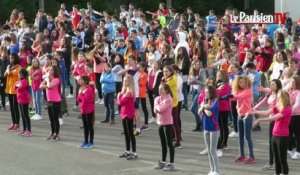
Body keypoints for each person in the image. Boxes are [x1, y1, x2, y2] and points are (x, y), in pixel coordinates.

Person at [252, 90, 292, 175]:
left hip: (283, 136)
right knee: (276, 158)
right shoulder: (278, 106)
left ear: (283, 98)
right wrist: (254, 111)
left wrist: (259, 120)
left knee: (282, 158)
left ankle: (284, 173)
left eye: (278, 98)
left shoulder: (287, 109)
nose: (277, 99)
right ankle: (277, 173)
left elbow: (273, 118)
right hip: (275, 135)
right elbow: (267, 112)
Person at [223, 75, 256, 164]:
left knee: (247, 137)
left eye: (244, 82)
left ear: (247, 82)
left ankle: (251, 157)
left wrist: (229, 96)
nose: (242, 84)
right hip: (240, 115)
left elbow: (238, 96)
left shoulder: (248, 91)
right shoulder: (238, 91)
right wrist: (226, 96)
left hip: (247, 115)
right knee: (240, 136)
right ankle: (242, 155)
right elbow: (234, 97)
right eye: (240, 82)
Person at [254, 79, 282, 171]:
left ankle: (275, 162)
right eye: (270, 84)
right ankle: (271, 162)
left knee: (275, 142)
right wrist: (253, 109)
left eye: (273, 84)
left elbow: (275, 109)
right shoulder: (270, 93)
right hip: (271, 119)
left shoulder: (279, 95)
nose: (271, 85)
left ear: (277, 86)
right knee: (271, 141)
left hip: (276, 119)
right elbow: (262, 102)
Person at [198, 85, 220, 175]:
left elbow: (210, 114)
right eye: (205, 92)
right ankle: (211, 169)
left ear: (212, 93)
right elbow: (199, 112)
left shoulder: (215, 101)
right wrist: (203, 107)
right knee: (208, 150)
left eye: (207, 92)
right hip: (205, 128)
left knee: (212, 150)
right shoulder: (204, 101)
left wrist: (204, 108)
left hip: (214, 129)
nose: (205, 94)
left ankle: (217, 171)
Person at [154, 84, 175, 171]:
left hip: (168, 124)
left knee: (169, 144)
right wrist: (156, 106)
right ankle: (163, 162)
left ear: (166, 90)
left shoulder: (169, 99)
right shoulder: (158, 98)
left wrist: (156, 105)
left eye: (161, 89)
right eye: (159, 89)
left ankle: (171, 163)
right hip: (160, 123)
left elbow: (161, 109)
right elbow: (155, 110)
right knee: (163, 144)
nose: (160, 91)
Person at [118, 75, 138, 160]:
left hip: (129, 114)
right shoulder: (125, 90)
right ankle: (127, 151)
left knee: (130, 134)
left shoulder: (130, 92)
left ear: (130, 82)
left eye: (126, 81)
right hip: (124, 113)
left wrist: (119, 96)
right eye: (124, 81)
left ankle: (134, 153)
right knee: (126, 133)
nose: (125, 83)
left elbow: (120, 102)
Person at [40, 65, 61, 141]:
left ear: (54, 71)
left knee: (55, 118)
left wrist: (47, 80)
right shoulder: (47, 78)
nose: (49, 71)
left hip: (56, 101)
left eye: (51, 70)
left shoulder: (56, 79)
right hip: (49, 100)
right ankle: (52, 133)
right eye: (49, 70)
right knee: (51, 119)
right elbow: (40, 86)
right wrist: (47, 80)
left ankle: (57, 134)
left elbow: (50, 85)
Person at [162, 65, 181, 149]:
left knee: (175, 123)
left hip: (173, 104)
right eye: (164, 71)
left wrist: (163, 80)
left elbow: (164, 87)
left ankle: (178, 141)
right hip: (168, 103)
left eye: (167, 71)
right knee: (170, 122)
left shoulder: (173, 79)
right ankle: (173, 137)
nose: (165, 73)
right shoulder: (168, 79)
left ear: (171, 72)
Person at [5, 53, 22, 131]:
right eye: (10, 58)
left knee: (15, 107)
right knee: (11, 107)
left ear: (15, 58)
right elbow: (5, 74)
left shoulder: (18, 67)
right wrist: (9, 67)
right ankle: (13, 122)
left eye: (12, 58)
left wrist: (9, 68)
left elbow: (9, 73)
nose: (11, 59)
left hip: (15, 90)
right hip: (9, 89)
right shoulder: (10, 66)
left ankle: (17, 124)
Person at [77, 75, 95, 149]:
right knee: (85, 127)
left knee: (90, 126)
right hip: (83, 110)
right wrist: (80, 94)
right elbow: (78, 100)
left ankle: (91, 142)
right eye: (79, 80)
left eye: (81, 80)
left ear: (85, 81)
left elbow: (85, 100)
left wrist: (81, 94)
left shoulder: (89, 89)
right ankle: (85, 141)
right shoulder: (81, 88)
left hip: (89, 110)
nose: (79, 81)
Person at [287, 75, 300, 159]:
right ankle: (289, 150)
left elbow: (297, 103)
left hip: (297, 115)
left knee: (297, 134)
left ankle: (298, 152)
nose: (292, 84)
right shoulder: (288, 91)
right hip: (289, 115)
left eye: (294, 82)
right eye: (291, 82)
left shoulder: (298, 92)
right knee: (289, 133)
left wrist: (291, 109)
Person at [16, 68, 31, 136]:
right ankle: (24, 129)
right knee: (22, 115)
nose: (18, 74)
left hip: (24, 99)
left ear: (22, 74)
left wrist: (17, 85)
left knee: (25, 115)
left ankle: (29, 130)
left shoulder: (24, 80)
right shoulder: (20, 80)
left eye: (19, 73)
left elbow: (20, 87)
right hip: (20, 99)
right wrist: (17, 85)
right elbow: (14, 86)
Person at [137, 62, 149, 130]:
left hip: (142, 93)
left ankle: (146, 124)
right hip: (138, 93)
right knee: (136, 108)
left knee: (144, 108)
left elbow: (140, 84)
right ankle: (137, 123)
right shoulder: (139, 74)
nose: (138, 68)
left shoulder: (144, 74)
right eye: (138, 67)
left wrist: (137, 81)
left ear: (144, 68)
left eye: (140, 67)